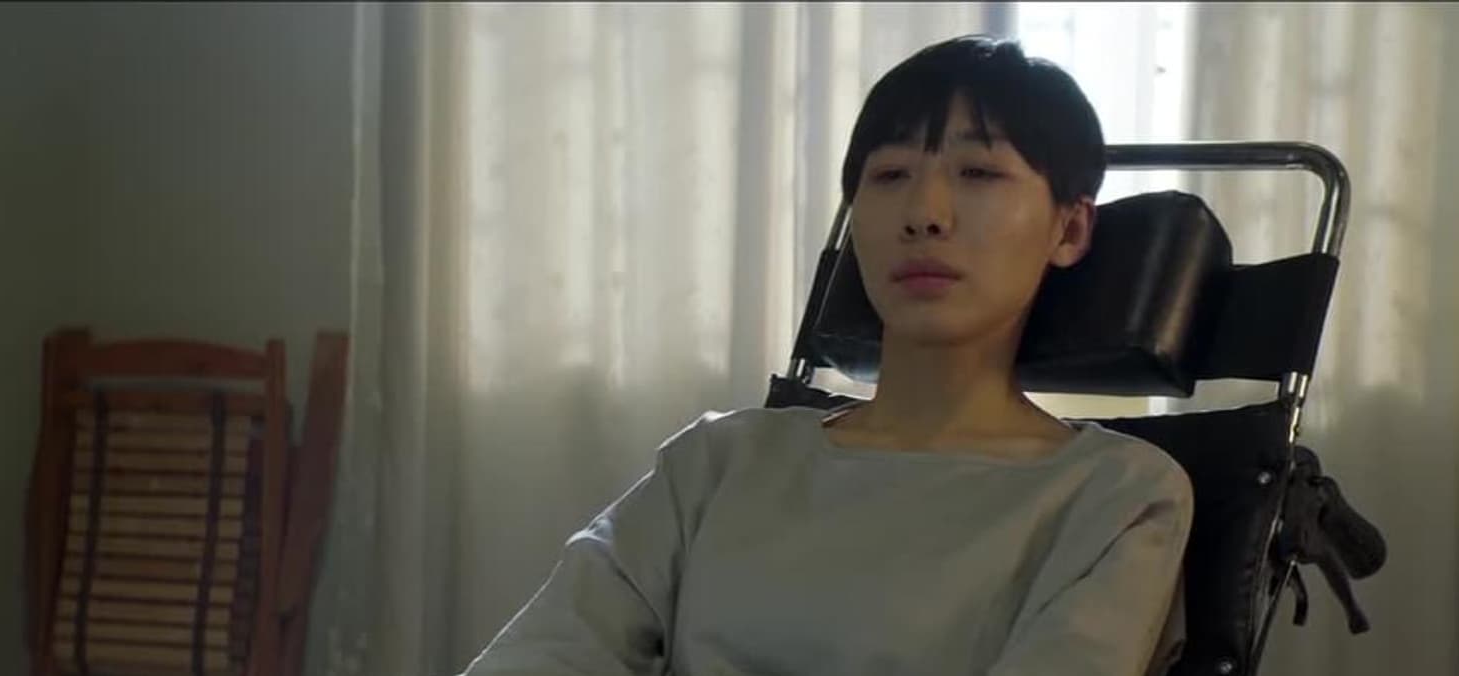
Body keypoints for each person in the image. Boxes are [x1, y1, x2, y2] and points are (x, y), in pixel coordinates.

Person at [460, 35, 1194, 676]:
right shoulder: (718, 462)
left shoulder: (1118, 495)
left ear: (1070, 230)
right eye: (890, 176)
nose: (924, 214)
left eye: (978, 174)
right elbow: (544, 652)